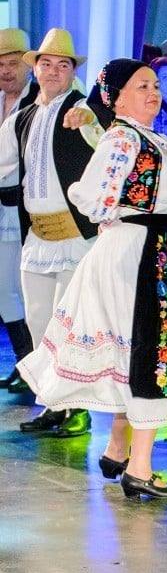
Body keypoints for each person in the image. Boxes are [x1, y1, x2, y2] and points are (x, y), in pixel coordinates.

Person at [18, 59, 167, 498]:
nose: (153, 92)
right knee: (148, 351)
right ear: (117, 98)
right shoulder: (123, 138)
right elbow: (91, 197)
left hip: (152, 249)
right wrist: (121, 212)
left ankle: (117, 448)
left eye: (154, 85)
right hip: (138, 252)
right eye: (141, 85)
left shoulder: (149, 138)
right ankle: (139, 468)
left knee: (139, 350)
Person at [0, 27, 110, 436]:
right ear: (35, 69)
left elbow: (107, 140)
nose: (52, 71)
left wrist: (91, 118)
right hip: (37, 238)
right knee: (40, 325)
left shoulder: (82, 109)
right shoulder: (23, 117)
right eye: (45, 64)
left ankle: (77, 408)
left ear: (71, 72)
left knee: (70, 325)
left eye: (62, 65)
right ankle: (52, 402)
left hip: (76, 237)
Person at [0, 29, 39, 393]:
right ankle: (24, 361)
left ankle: (35, 367)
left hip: (26, 209)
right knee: (5, 290)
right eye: (0, 65)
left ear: (27, 66)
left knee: (26, 289)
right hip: (2, 209)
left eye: (12, 63)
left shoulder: (37, 101)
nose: (5, 71)